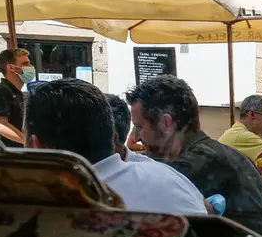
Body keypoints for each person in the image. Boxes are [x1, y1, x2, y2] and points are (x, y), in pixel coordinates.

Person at [24, 79, 207, 216]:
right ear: (112, 136)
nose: (138, 137)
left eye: (141, 126)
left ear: (37, 145)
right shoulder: (167, 176)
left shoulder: (47, 211)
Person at [125, 75, 262, 237]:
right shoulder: (216, 154)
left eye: (140, 127)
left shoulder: (188, 166)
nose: (137, 137)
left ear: (165, 124)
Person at [0, 48, 34, 147]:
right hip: (4, 158)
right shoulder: (0, 91)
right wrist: (28, 142)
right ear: (11, 68)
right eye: (25, 64)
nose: (31, 67)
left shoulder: (16, 93)